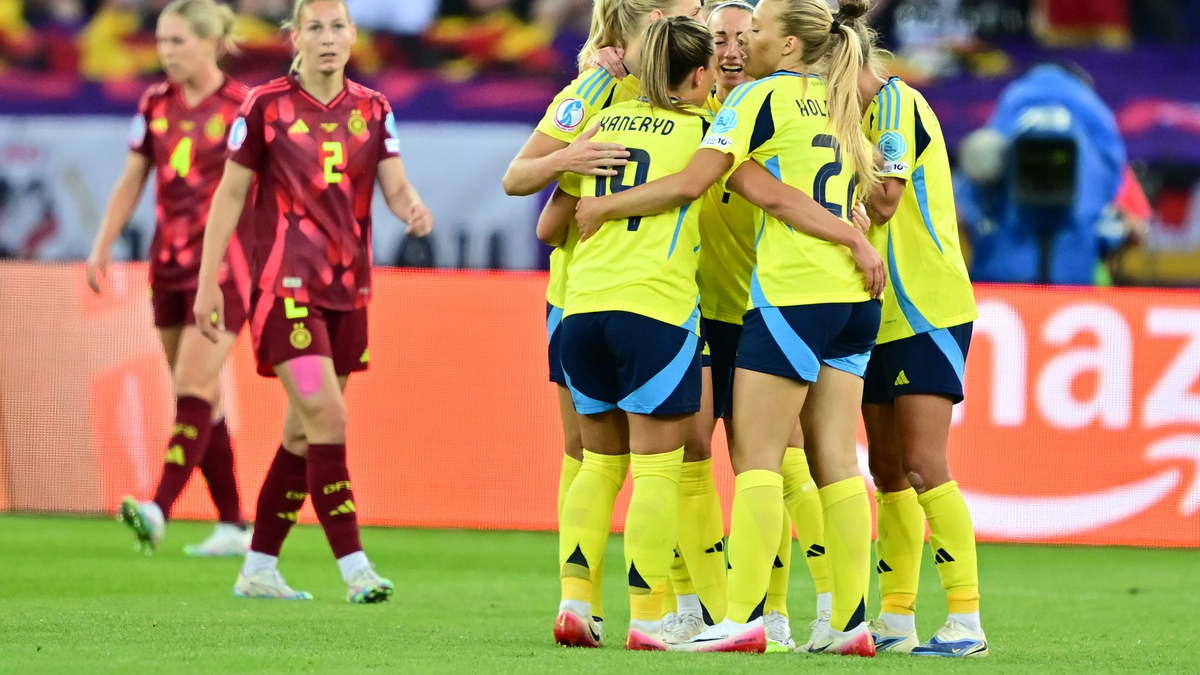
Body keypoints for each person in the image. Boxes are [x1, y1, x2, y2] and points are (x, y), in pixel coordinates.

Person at [573, 0, 885, 655]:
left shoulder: (755, 102)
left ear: (789, 46)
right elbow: (853, 195)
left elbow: (712, 184)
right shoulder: (837, 98)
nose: (739, 47)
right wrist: (857, 242)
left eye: (757, 32)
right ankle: (849, 622)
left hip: (790, 295)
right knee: (834, 461)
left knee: (760, 463)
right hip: (853, 299)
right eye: (726, 38)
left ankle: (742, 618)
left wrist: (602, 206)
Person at [192, 0, 433, 603]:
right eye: (315, 28)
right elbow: (229, 197)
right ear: (294, 36)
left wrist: (411, 208)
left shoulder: (374, 109)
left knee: (303, 434)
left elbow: (394, 182)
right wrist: (206, 281)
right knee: (328, 417)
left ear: (353, 35)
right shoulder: (264, 105)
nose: (327, 38)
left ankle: (258, 568)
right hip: (284, 290)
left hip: (349, 290)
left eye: (337, 27)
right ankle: (355, 569)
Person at [505, 0, 702, 645]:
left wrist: (594, 197)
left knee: (594, 461)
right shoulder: (696, 123)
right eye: (688, 13)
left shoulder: (610, 112)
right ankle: (652, 616)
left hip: (583, 304)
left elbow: (547, 225)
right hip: (655, 306)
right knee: (656, 467)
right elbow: (517, 179)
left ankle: (575, 602)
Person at [87, 0, 252, 558]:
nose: (166, 52)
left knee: (192, 387)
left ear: (210, 42)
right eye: (161, 41)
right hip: (168, 265)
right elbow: (132, 179)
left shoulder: (242, 108)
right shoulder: (154, 102)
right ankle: (233, 524)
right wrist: (103, 242)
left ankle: (158, 508)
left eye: (177, 41)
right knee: (200, 398)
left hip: (227, 267)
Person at [854, 27, 987, 658]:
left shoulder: (895, 103)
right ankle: (896, 619)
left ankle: (966, 622)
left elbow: (884, 199)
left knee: (923, 464)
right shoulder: (851, 116)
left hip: (925, 305)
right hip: (875, 313)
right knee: (886, 472)